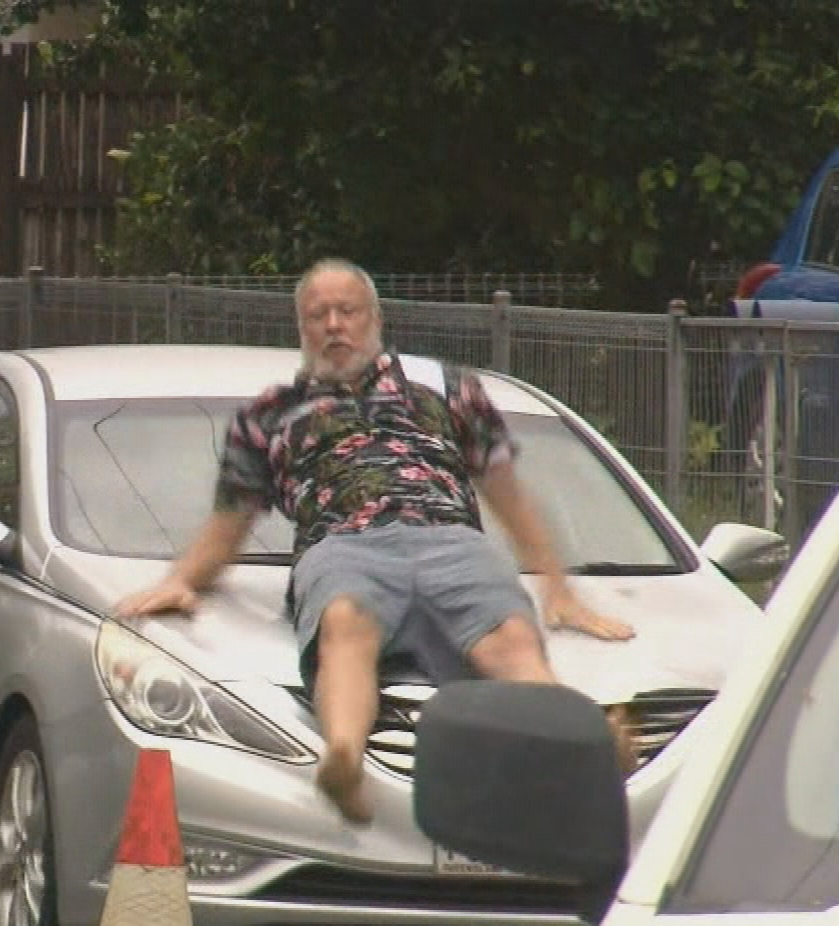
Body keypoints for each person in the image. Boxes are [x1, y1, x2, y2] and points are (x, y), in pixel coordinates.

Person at [114, 258, 635, 824]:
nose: (335, 325)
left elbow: (507, 494)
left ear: (375, 318)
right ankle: (343, 754)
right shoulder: (267, 414)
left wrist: (557, 588)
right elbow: (228, 523)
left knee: (507, 639)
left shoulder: (447, 385)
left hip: (450, 540)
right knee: (344, 623)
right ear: (301, 329)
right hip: (343, 543)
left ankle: (584, 742)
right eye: (319, 315)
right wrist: (181, 581)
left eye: (348, 311)